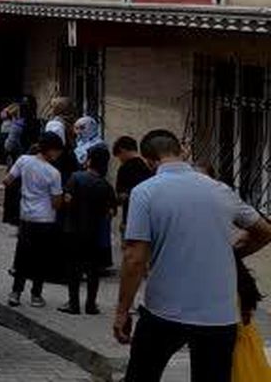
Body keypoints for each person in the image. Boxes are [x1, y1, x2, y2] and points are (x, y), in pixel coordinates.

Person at [115, 130, 271, 382]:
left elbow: (134, 258)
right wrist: (232, 253)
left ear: (149, 161)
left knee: (142, 375)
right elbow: (264, 231)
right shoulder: (220, 190)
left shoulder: (145, 192)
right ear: (181, 152)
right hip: (218, 315)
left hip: (164, 309)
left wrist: (122, 311)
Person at [4, 131, 65, 308]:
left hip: (26, 217)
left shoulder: (24, 160)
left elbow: (8, 180)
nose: (58, 154)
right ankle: (36, 295)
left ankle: (15, 293)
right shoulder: (54, 173)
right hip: (45, 219)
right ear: (51, 150)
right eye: (58, 151)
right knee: (40, 258)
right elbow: (56, 203)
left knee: (22, 256)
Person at [60, 145, 116, 315]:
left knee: (73, 269)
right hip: (94, 234)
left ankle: (73, 304)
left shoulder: (76, 178)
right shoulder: (106, 186)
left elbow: (67, 200)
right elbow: (111, 212)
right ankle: (91, 305)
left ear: (89, 160)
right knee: (93, 271)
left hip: (73, 231)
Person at [113, 135, 150, 237]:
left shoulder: (124, 169)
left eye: (119, 156)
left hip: (131, 217)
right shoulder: (149, 165)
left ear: (123, 150)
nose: (120, 159)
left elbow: (121, 196)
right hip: (148, 217)